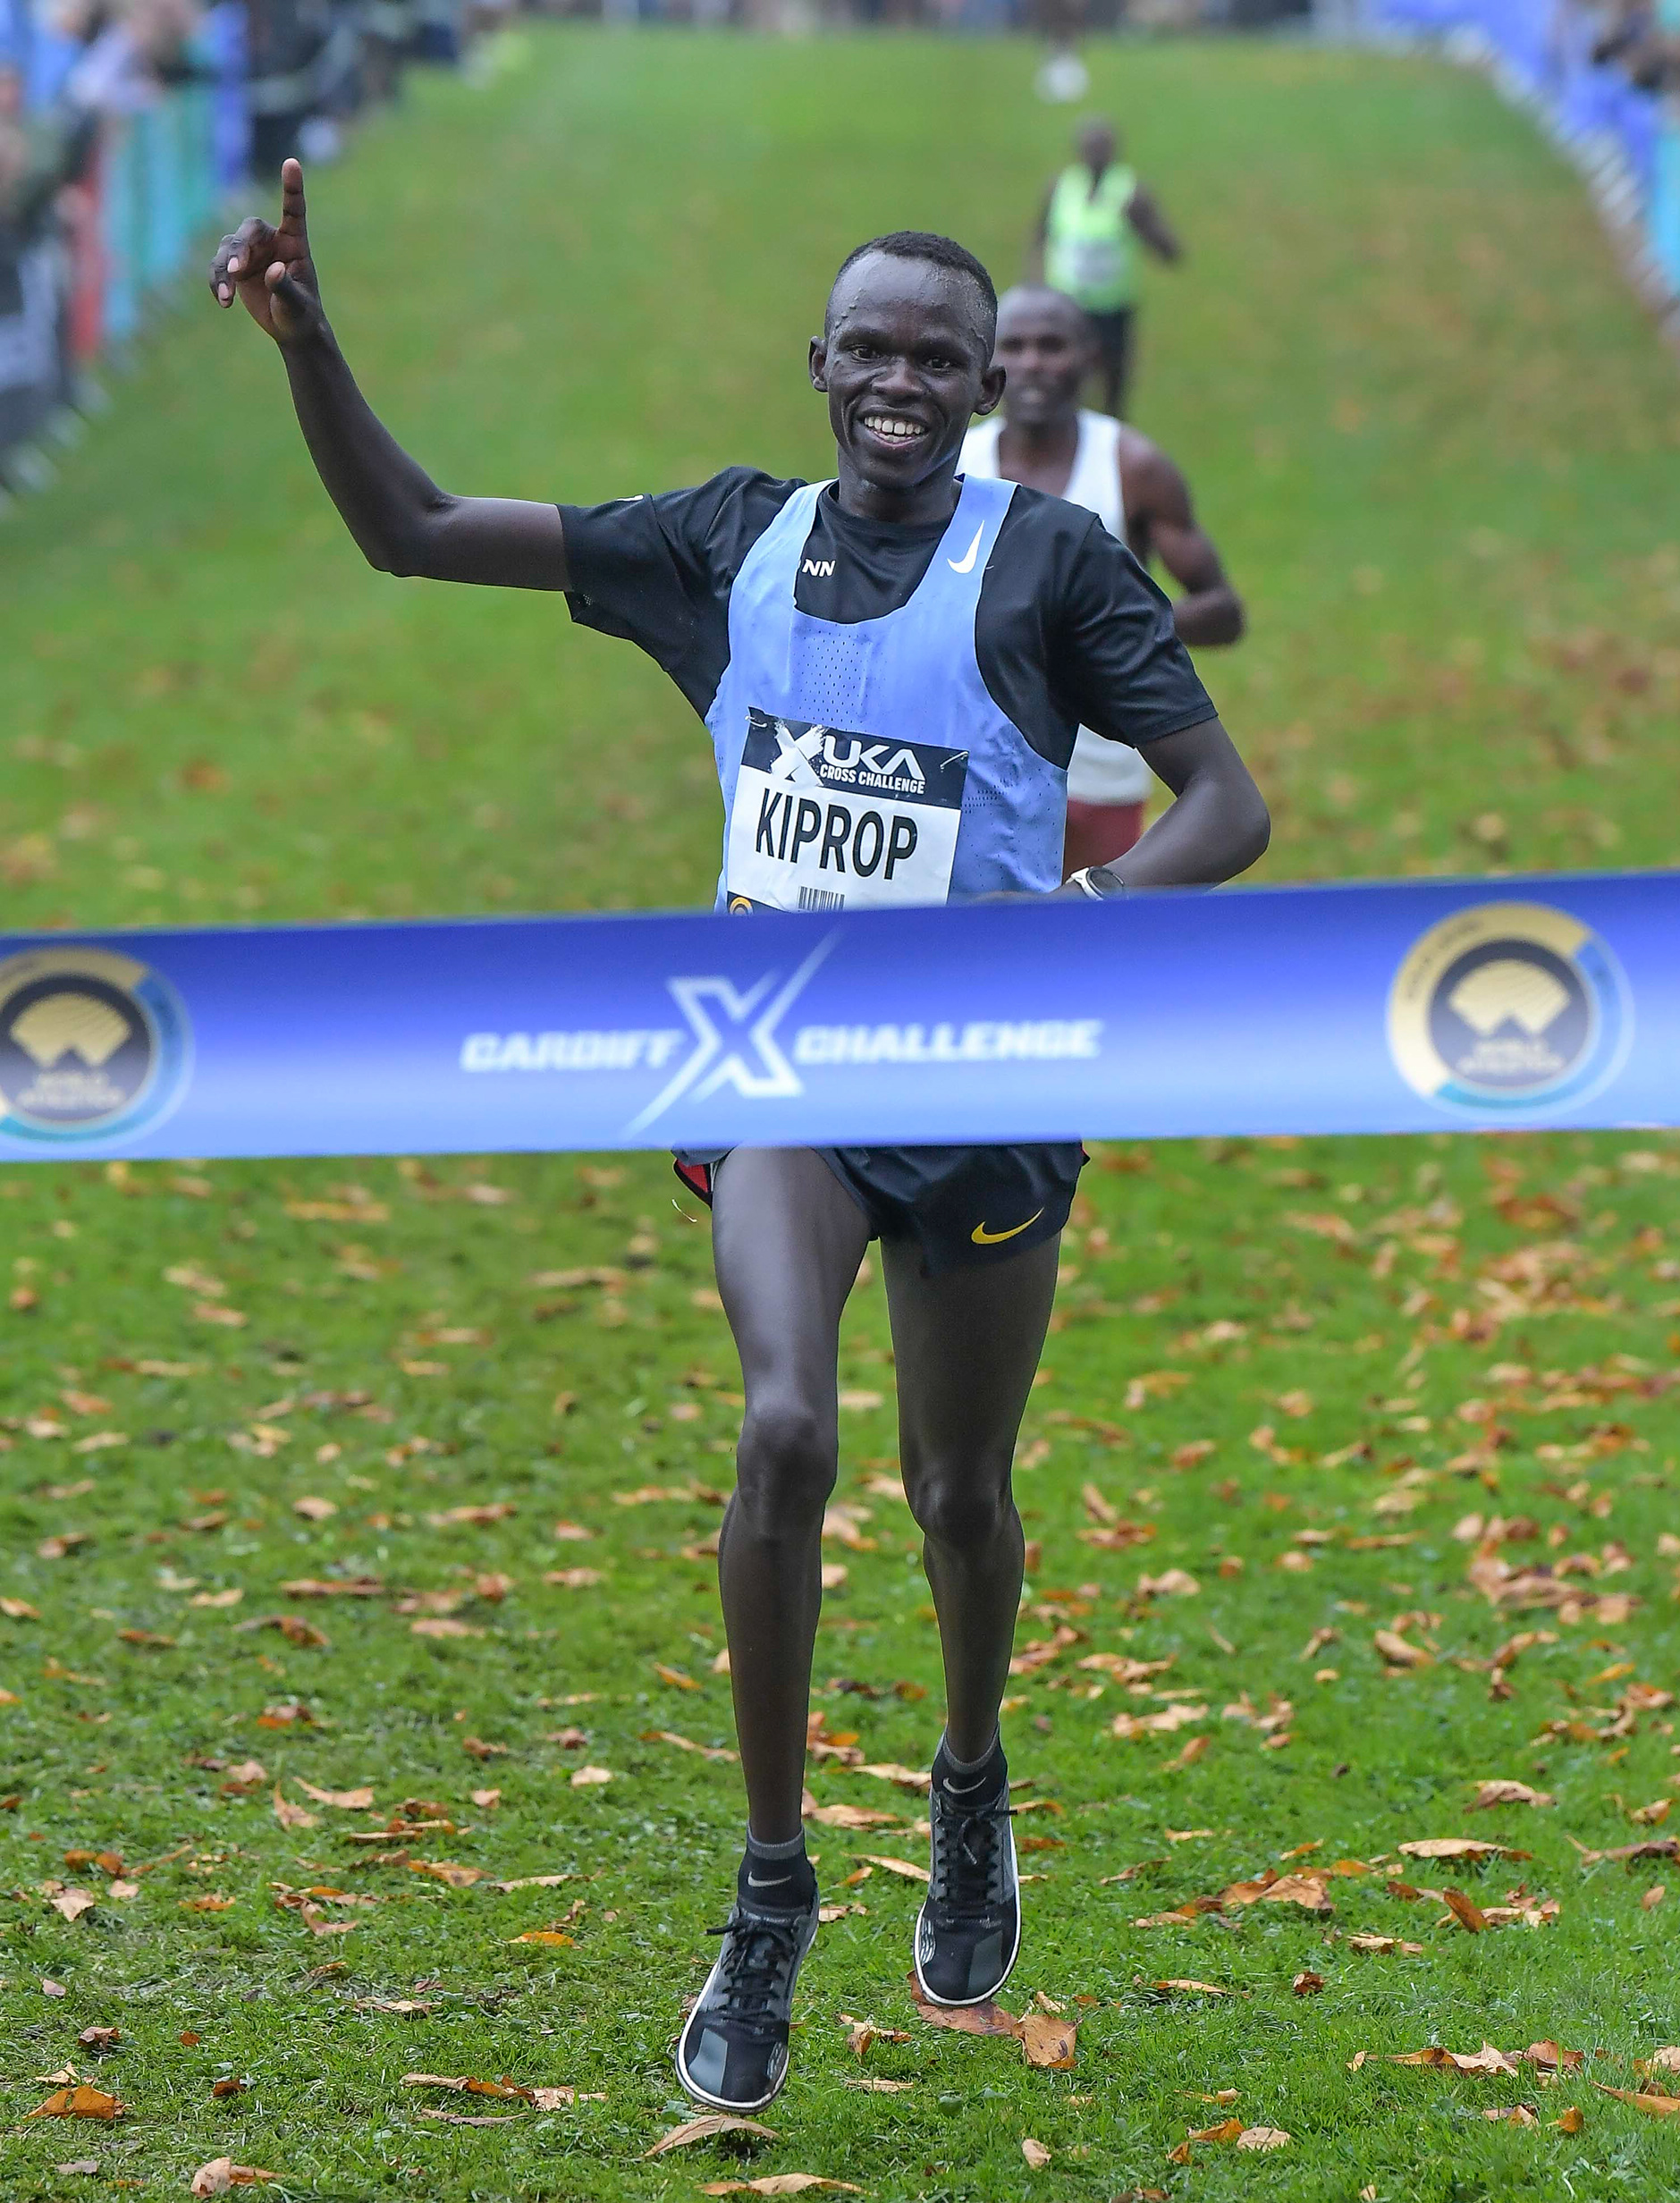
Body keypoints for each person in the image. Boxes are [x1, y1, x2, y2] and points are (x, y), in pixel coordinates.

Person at [208, 163, 1270, 2114]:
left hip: (988, 1080)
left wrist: (1091, 923)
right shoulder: (724, 543)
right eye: (867, 347)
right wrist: (312, 342)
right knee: (785, 1426)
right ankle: (769, 1889)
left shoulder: (1048, 566)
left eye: (934, 358)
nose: (898, 379)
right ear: (819, 365)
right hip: (775, 1064)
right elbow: (417, 529)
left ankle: (965, 1788)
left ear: (977, 388)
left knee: (963, 1499)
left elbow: (1226, 801)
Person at [960, 283, 1243, 875]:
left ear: (1091, 358)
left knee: (1089, 950)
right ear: (987, 363)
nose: (1033, 362)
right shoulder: (957, 465)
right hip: (971, 765)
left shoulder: (1131, 467)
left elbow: (1222, 611)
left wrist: (1104, 632)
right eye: (1015, 345)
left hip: (1098, 770)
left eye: (1052, 345)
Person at [1032, 115, 1180, 417]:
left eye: (1101, 147)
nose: (1095, 154)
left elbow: (1170, 251)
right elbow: (1039, 238)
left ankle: (1113, 440)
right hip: (1067, 308)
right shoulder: (1061, 188)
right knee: (1064, 380)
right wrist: (1033, 289)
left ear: (1114, 150)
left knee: (1113, 384)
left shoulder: (1131, 191)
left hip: (1113, 310)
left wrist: (1143, 225)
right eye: (1089, 147)